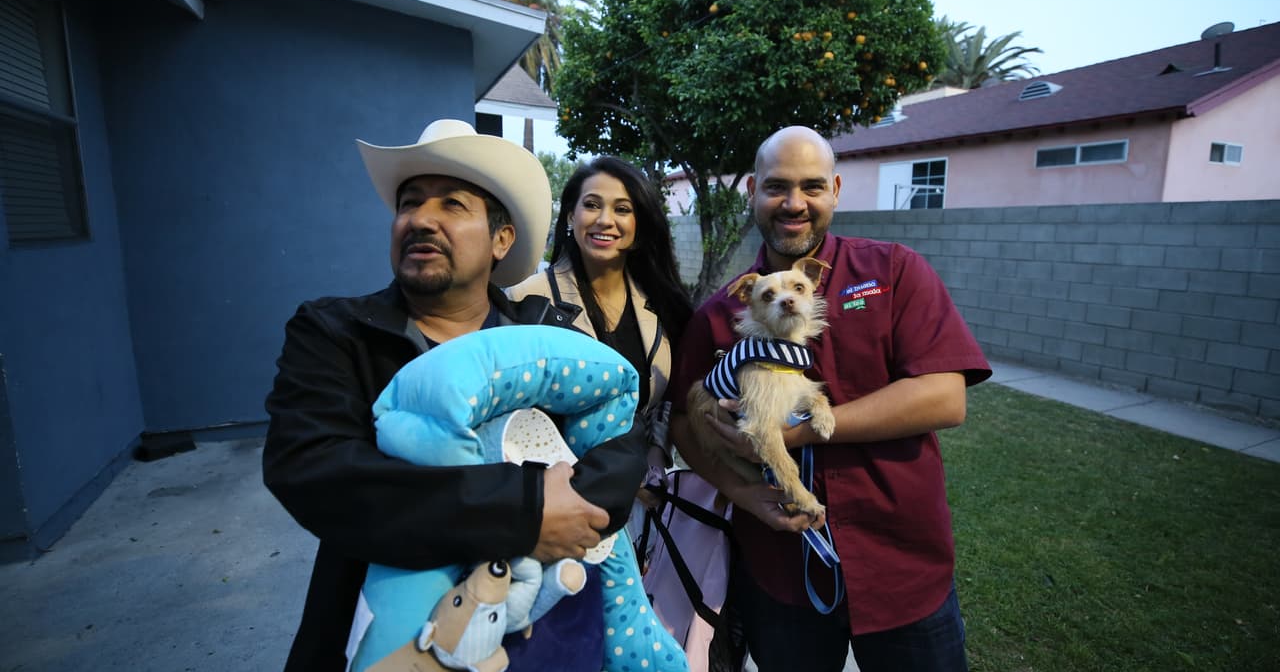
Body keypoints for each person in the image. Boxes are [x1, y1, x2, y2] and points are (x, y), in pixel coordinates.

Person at [262, 120, 646, 671]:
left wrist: (573, 507)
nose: (420, 219)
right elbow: (315, 470)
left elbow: (621, 445)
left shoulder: (546, 336)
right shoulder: (336, 333)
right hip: (381, 642)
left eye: (452, 205)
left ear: (501, 239)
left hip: (545, 639)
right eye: (409, 203)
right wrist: (526, 512)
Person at [666, 126, 992, 672]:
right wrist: (738, 493)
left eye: (812, 186)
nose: (795, 203)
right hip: (780, 571)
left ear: (836, 189)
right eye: (777, 187)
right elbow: (681, 419)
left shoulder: (892, 271)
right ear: (752, 190)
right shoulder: (725, 310)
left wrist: (804, 429)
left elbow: (945, 396)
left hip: (900, 562)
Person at [506, 156, 693, 527]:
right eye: (592, 205)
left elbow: (667, 400)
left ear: (639, 227)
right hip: (552, 504)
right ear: (571, 217)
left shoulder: (661, 302)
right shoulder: (526, 301)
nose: (605, 219)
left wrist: (656, 455)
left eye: (622, 209)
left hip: (638, 508)